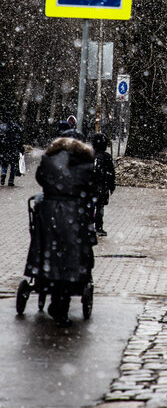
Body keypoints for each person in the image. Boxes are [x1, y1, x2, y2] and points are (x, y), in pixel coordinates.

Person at [26, 129, 97, 327]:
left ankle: (45, 283)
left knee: (48, 252)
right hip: (74, 213)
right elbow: (91, 187)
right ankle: (61, 305)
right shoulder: (84, 162)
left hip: (49, 213)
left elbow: (40, 179)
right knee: (70, 258)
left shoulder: (49, 159)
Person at [92, 133, 116, 236]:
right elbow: (111, 173)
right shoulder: (107, 157)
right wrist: (111, 186)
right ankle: (99, 227)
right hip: (102, 186)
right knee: (100, 207)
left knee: (90, 206)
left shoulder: (89, 155)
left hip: (90, 186)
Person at [0, 111, 24, 187]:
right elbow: (20, 138)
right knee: (13, 165)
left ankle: (3, 173)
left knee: (4, 162)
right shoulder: (16, 126)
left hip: (4, 147)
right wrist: (21, 147)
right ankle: (11, 180)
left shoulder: (2, 126)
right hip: (14, 147)